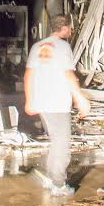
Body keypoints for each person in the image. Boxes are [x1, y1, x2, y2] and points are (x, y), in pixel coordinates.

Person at [23, 14, 89, 195]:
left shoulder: (37, 46)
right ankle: (58, 185)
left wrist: (30, 101)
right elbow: (68, 75)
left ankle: (49, 177)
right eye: (70, 28)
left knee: (56, 141)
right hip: (58, 102)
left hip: (42, 103)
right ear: (66, 28)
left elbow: (28, 75)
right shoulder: (63, 46)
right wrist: (80, 99)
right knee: (62, 145)